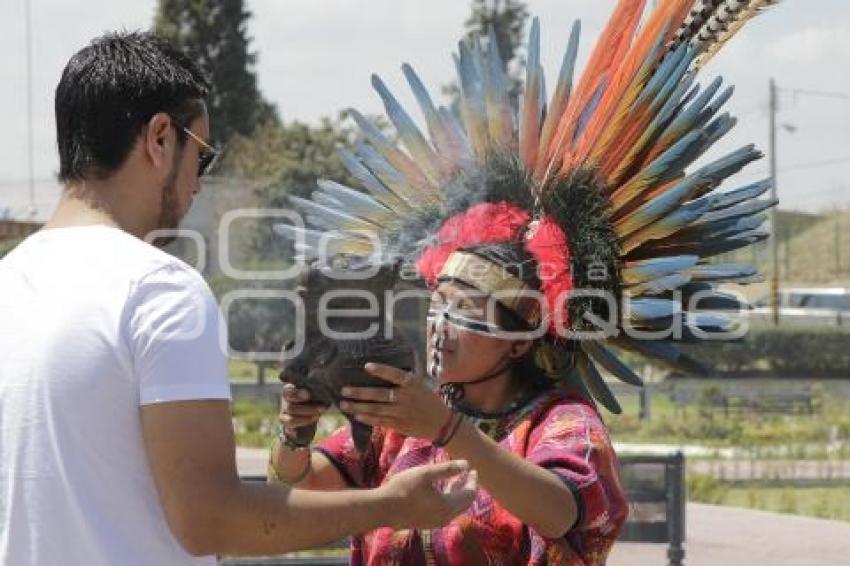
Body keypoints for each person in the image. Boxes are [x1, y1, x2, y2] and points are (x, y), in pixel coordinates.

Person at [0, 31, 477, 566]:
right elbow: (211, 521)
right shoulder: (159, 290)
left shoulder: (10, 282)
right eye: (201, 157)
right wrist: (387, 506)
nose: (199, 184)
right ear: (160, 138)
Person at [275, 242, 629, 565]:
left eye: (463, 312)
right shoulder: (405, 415)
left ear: (518, 344)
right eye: (437, 306)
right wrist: (294, 433)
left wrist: (445, 428)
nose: (439, 327)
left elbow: (558, 512)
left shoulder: (562, 421)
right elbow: (304, 485)